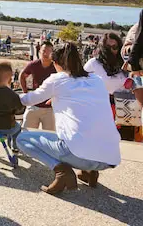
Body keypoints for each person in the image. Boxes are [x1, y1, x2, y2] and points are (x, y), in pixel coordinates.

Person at [17, 43, 121, 195]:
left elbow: (28, 100)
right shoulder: (97, 80)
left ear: (57, 63)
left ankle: (61, 171)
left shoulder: (57, 79)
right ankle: (89, 173)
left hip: (78, 154)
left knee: (21, 139)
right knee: (84, 131)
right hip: (109, 158)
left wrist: (8, 95)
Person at [19, 41, 56, 131]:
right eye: (43, 51)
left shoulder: (56, 67)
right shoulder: (34, 65)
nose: (46, 54)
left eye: (49, 51)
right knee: (26, 133)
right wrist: (25, 92)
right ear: (39, 51)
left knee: (50, 136)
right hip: (34, 105)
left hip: (50, 109)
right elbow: (22, 75)